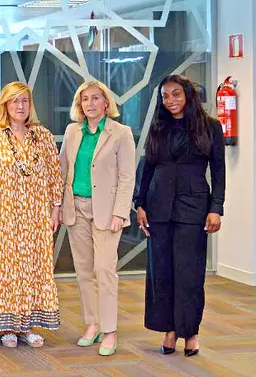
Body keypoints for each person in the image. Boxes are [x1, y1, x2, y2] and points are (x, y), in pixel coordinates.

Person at [136, 74, 224, 357]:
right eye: (164, 96)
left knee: (189, 273)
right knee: (161, 272)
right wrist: (140, 204)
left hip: (193, 206)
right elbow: (147, 168)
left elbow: (219, 171)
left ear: (187, 94)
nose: (170, 100)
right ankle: (169, 330)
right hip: (158, 205)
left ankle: (191, 331)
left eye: (175, 94)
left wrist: (216, 207)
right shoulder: (158, 127)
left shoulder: (210, 126)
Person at [0, 81, 63, 348]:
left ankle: (28, 325)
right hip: (3, 213)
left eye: (24, 101)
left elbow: (54, 176)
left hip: (35, 215)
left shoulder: (42, 135)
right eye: (14, 102)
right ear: (5, 105)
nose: (20, 107)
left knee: (33, 267)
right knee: (7, 268)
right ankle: (8, 326)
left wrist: (56, 208)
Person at [60, 80, 135, 357]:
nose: (90, 104)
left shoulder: (121, 133)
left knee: (105, 269)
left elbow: (127, 176)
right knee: (84, 271)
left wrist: (120, 212)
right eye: (84, 99)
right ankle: (92, 324)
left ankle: (110, 330)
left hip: (106, 211)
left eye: (95, 98)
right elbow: (62, 172)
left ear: (106, 103)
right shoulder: (72, 132)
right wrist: (58, 207)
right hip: (76, 209)